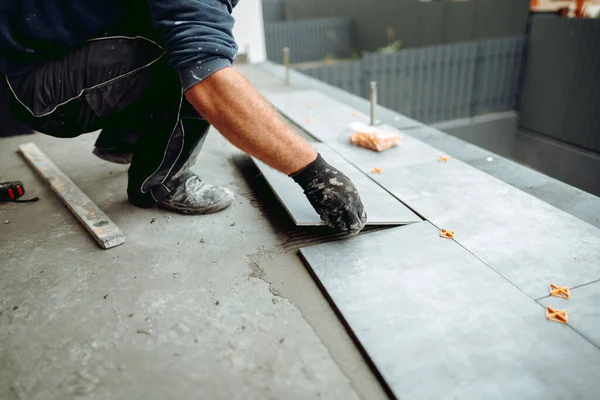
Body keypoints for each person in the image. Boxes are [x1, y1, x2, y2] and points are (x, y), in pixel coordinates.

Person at [0, 0, 367, 234]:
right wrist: (315, 173)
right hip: (38, 90)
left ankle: (123, 140)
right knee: (187, 56)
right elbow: (209, 82)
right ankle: (160, 182)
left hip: (33, 61)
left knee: (174, 31)